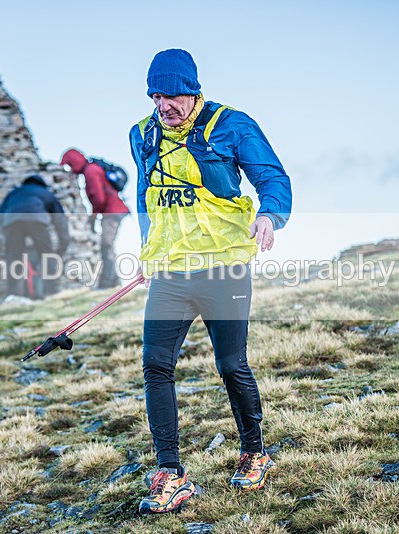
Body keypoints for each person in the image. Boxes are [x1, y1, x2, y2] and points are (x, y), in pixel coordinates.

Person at [129, 49, 292, 514]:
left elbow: (272, 177)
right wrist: (148, 250)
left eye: (173, 95)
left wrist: (269, 216)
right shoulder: (142, 135)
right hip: (172, 270)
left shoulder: (232, 124)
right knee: (155, 366)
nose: (165, 106)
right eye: (157, 96)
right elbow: (146, 196)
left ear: (193, 90)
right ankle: (170, 473)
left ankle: (254, 451)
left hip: (224, 266)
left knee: (230, 364)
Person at [61, 149, 130, 289]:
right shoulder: (93, 168)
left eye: (69, 165)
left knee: (106, 245)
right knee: (108, 246)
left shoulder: (90, 171)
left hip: (112, 212)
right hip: (114, 211)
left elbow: (98, 198)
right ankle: (113, 282)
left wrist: (93, 216)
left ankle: (107, 283)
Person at [0, 174, 69, 299]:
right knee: (47, 255)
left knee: (13, 257)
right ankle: (52, 292)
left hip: (11, 220)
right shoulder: (45, 192)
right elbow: (60, 220)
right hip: (36, 218)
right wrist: (63, 245)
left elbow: (1, 214)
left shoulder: (14, 193)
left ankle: (13, 296)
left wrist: (7, 232)